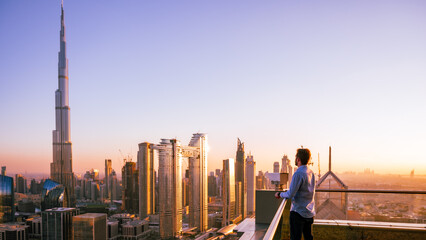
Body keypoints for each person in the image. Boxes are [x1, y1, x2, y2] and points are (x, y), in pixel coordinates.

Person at [275, 148, 315, 240]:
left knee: (295, 238)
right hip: (309, 212)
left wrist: (280, 194)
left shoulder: (298, 173)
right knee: (308, 237)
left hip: (298, 213)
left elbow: (290, 194)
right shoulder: (311, 173)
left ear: (298, 159)